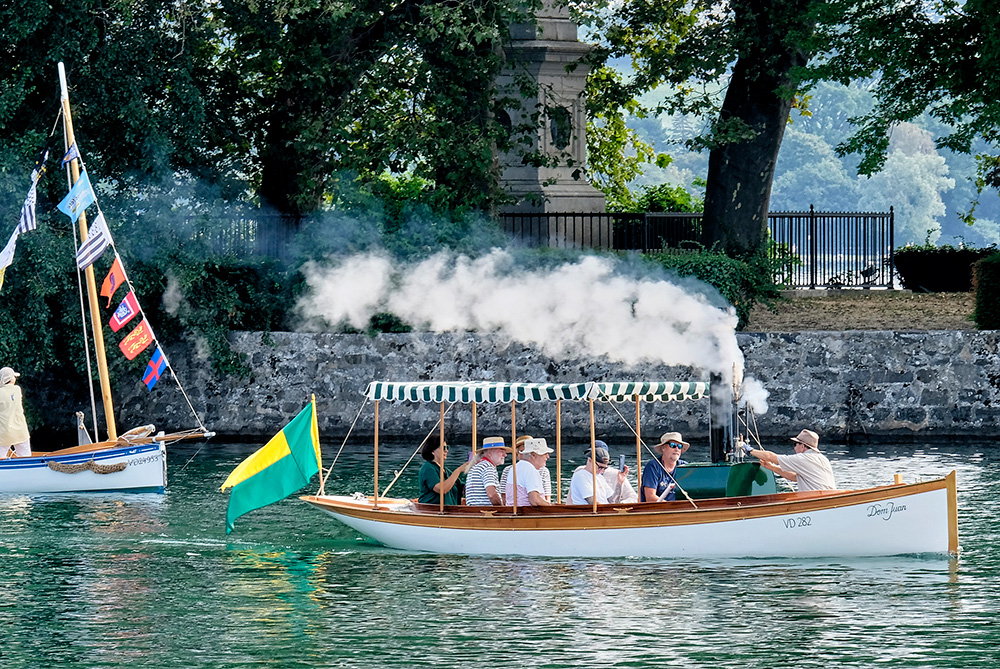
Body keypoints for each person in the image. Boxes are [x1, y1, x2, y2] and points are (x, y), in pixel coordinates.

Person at [742, 429, 837, 491]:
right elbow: (795, 477)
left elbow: (770, 456)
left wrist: (748, 449)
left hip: (816, 501)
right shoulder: (823, 459)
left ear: (803, 446)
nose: (795, 448)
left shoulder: (802, 458)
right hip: (829, 498)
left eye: (795, 444)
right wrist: (771, 467)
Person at [417, 435, 470, 505]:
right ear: (433, 451)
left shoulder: (446, 471)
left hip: (450, 510)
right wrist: (458, 470)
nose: (446, 450)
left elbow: (462, 489)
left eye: (447, 447)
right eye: (443, 448)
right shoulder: (428, 468)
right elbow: (441, 489)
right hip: (432, 510)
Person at [500, 434, 552, 502]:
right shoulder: (510, 469)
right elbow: (534, 500)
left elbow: (546, 497)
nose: (547, 457)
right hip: (528, 510)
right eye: (522, 451)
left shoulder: (543, 470)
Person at [640, 432, 689, 502]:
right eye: (673, 445)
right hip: (656, 510)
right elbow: (650, 497)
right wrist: (671, 506)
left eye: (680, 446)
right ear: (663, 448)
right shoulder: (653, 466)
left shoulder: (685, 467)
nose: (677, 449)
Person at [465, 436, 508, 506]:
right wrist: (502, 509)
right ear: (490, 452)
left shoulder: (477, 466)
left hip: (475, 511)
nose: (505, 455)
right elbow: (491, 494)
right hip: (485, 512)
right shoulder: (487, 467)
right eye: (501, 451)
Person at [0, 367, 30, 459]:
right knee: (26, 457)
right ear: (10, 379)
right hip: (20, 431)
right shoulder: (17, 390)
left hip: (4, 432)